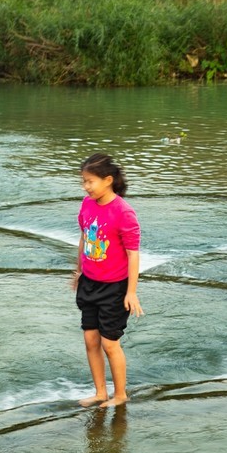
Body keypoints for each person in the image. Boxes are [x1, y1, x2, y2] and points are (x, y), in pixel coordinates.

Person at [73, 153, 143, 408]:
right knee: (90, 340)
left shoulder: (123, 212)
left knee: (109, 343)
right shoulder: (87, 204)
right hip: (89, 282)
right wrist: (78, 271)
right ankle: (100, 392)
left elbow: (133, 253)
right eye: (83, 181)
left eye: (90, 181)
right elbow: (84, 238)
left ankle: (120, 395)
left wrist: (131, 292)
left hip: (114, 287)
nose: (86, 186)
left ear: (108, 180)